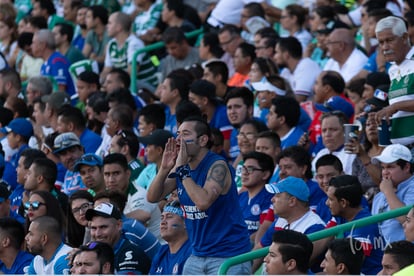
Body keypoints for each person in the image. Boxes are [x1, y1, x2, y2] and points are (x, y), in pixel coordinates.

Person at [147, 116, 252, 274]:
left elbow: (203, 202)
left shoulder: (218, 166)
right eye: (178, 134)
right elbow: (153, 197)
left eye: (185, 134)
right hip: (197, 254)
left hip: (229, 254)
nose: (179, 140)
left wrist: (181, 169)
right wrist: (164, 168)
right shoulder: (182, 169)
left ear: (202, 140)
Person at [326, 175, 383, 274]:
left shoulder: (365, 225)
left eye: (331, 199)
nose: (327, 203)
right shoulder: (339, 215)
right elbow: (321, 239)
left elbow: (348, 266)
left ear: (343, 203)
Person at [375, 16, 414, 145]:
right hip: (401, 150)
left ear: (404, 37)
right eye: (381, 42)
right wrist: (381, 114)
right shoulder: (392, 70)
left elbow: (398, 106)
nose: (385, 47)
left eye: (390, 40)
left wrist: (395, 107)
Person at [103, 153, 161, 240]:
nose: (111, 180)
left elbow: (135, 228)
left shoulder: (140, 195)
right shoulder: (109, 195)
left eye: (116, 173)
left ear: (128, 174)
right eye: (107, 174)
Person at [85, 202, 151, 274]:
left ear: (119, 225)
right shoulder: (97, 249)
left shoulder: (131, 254)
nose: (98, 234)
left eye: (103, 227)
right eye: (93, 228)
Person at [371, 143, 414, 242]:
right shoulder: (379, 197)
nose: (385, 172)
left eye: (390, 167)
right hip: (388, 253)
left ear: (407, 167)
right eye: (383, 167)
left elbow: (407, 219)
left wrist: (388, 192)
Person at [239, 151, 274, 242]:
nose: (245, 173)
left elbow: (264, 231)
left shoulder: (271, 198)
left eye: (250, 169)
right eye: (243, 169)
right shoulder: (240, 197)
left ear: (265, 174)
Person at [149, 200, 192, 275]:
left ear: (185, 223)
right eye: (162, 218)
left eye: (169, 217)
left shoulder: (192, 251)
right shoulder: (161, 252)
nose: (163, 222)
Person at [274, 37, 321, 102]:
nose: (274, 57)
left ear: (286, 54)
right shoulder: (286, 71)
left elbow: (299, 100)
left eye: (276, 52)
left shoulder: (307, 65)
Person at [31, 29, 75, 97]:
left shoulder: (58, 62)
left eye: (33, 42)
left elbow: (60, 92)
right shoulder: (45, 64)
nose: (31, 46)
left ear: (43, 45)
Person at [2, 118, 33, 190]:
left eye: (9, 134)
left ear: (18, 137)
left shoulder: (27, 155)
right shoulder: (17, 154)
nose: (7, 137)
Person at [225, 87, 254, 163]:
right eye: (229, 108)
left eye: (237, 107)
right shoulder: (234, 131)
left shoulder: (258, 129)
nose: (232, 112)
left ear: (250, 109)